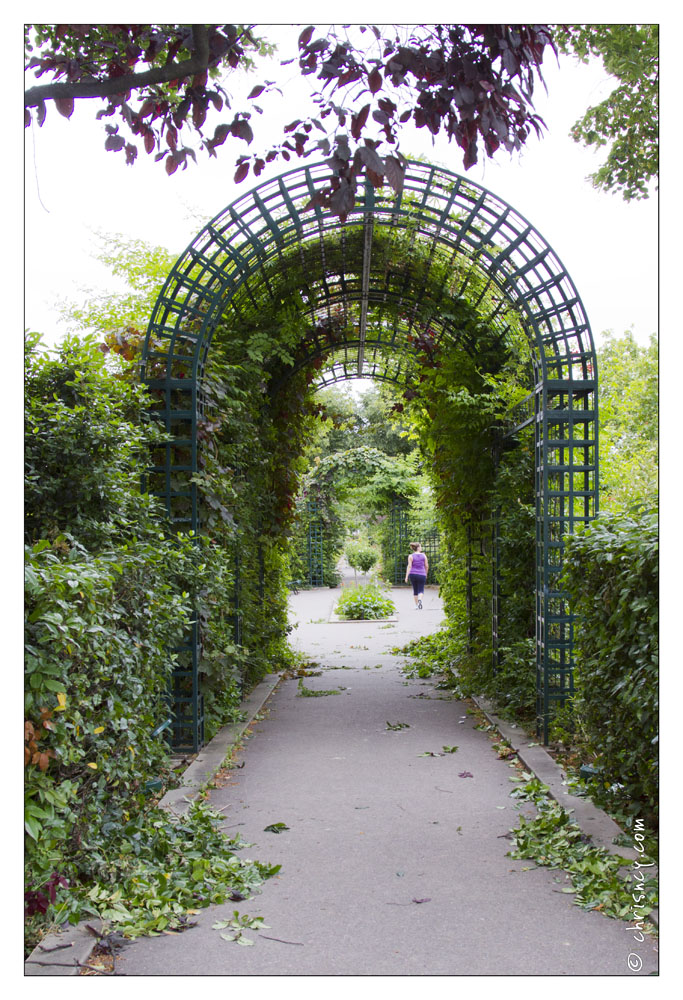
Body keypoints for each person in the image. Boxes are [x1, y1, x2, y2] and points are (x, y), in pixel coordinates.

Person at [405, 541, 428, 609]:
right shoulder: (424, 555)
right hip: (422, 574)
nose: (421, 548)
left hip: (413, 574)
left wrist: (406, 576)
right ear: (418, 548)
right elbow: (426, 566)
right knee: (421, 589)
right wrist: (426, 574)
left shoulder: (411, 556)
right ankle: (420, 599)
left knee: (415, 590)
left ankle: (416, 605)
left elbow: (409, 566)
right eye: (420, 546)